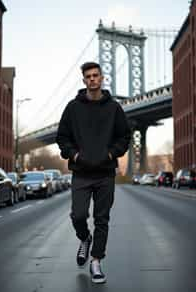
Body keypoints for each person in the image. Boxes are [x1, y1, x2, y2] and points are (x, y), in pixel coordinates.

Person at [56, 62, 130, 283]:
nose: (92, 79)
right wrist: (75, 155)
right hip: (81, 172)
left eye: (95, 75)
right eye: (88, 76)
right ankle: (84, 238)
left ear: (102, 78)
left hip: (105, 173)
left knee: (102, 219)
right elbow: (62, 138)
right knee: (78, 215)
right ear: (84, 81)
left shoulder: (114, 108)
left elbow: (124, 137)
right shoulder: (72, 108)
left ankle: (96, 261)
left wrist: (110, 155)